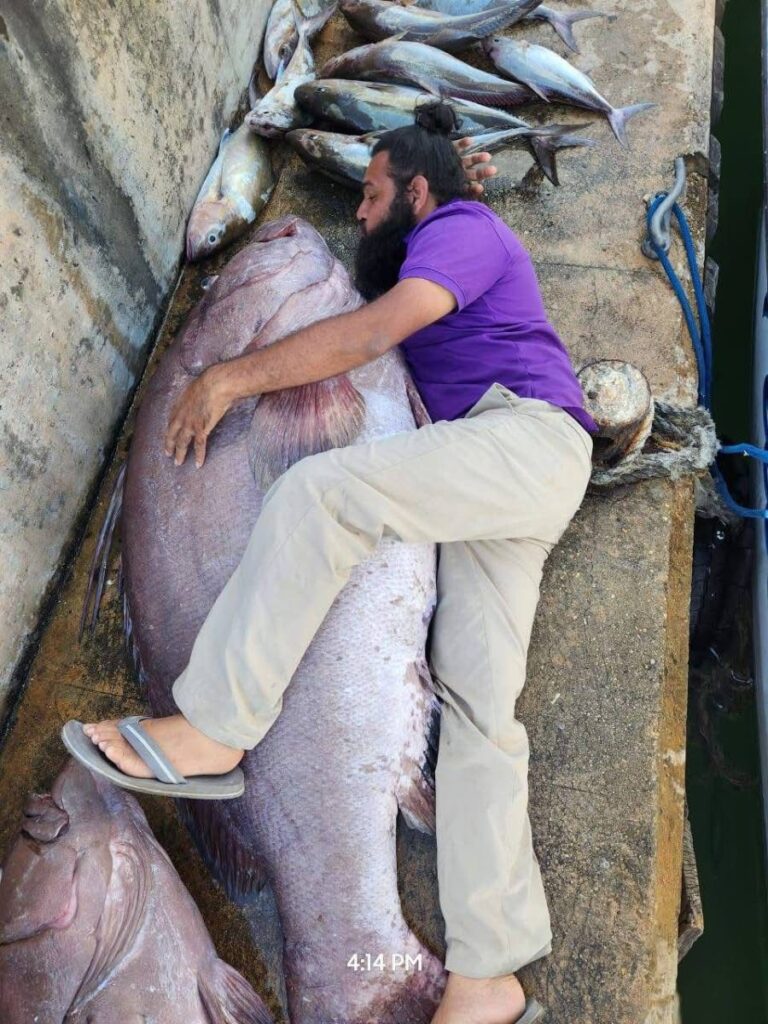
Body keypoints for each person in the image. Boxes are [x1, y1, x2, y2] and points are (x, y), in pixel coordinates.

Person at [65, 103, 598, 1024]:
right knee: (478, 708)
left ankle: (216, 725)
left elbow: (365, 336)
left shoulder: (466, 229)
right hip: (484, 483)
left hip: (527, 441)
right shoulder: (431, 254)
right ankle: (489, 974)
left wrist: (229, 376)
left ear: (420, 193)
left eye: (375, 192)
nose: (359, 211)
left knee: (321, 495)